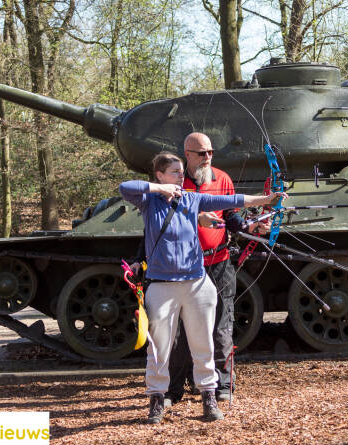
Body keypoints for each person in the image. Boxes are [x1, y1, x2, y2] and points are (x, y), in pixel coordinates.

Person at [119, 151, 285, 424]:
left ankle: (208, 396)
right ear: (159, 175)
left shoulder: (191, 199)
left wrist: (266, 199)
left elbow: (231, 200)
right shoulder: (149, 200)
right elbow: (125, 188)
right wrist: (161, 189)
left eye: (181, 172)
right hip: (162, 285)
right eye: (174, 172)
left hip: (197, 283)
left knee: (203, 343)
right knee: (159, 347)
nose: (180, 177)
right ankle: (157, 399)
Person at [166, 133, 268, 406]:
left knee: (222, 327)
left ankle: (223, 385)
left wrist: (249, 227)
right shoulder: (173, 183)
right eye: (202, 153)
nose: (208, 157)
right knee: (179, 331)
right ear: (187, 154)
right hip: (184, 267)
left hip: (219, 263)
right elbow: (164, 218)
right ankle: (173, 389)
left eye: (210, 152)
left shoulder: (222, 179)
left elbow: (232, 217)